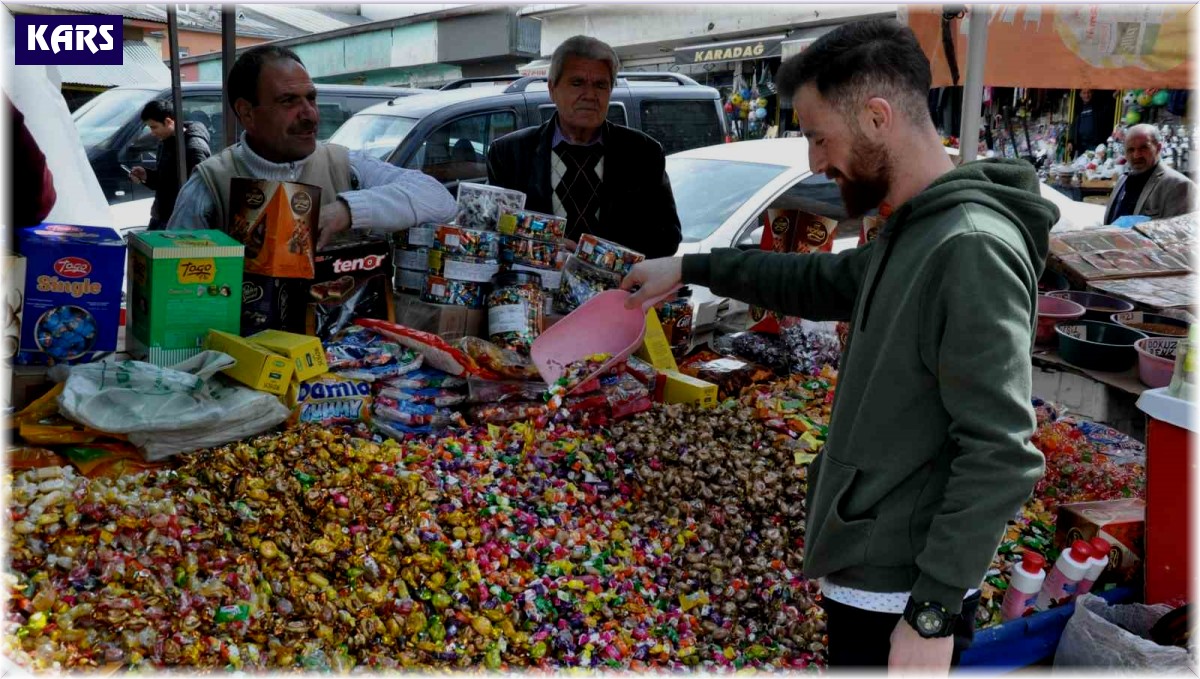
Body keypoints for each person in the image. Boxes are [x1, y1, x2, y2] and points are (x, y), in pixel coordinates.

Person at [621, 19, 1057, 671]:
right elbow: (821, 281)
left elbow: (1000, 452)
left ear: (878, 117)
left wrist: (932, 613)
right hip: (870, 566)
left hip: (902, 593)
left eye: (819, 137)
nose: (814, 163)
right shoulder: (916, 229)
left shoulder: (968, 247)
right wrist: (689, 267)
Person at [167, 45, 456, 248]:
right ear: (247, 113)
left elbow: (439, 200)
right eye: (288, 101)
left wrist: (347, 211)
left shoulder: (343, 166)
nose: (310, 115)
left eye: (311, 98)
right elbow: (175, 282)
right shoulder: (210, 184)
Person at [486, 35, 682, 259]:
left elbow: (667, 240)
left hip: (619, 281)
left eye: (600, 85)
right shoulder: (509, 154)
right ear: (552, 89)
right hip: (534, 281)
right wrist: (545, 247)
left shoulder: (642, 153)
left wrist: (595, 256)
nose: (590, 95)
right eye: (577, 83)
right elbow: (491, 231)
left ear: (610, 91)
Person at [129, 99, 212, 230]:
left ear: (168, 122)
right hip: (162, 216)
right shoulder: (166, 141)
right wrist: (146, 176)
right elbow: (166, 181)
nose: (152, 132)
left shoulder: (194, 148)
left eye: (154, 127)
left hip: (180, 220)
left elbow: (199, 191)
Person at [1104, 124, 1196, 225]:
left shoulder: (1179, 185)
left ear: (1158, 148)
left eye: (1143, 148)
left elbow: (1176, 232)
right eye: (1131, 150)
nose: (1136, 155)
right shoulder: (1122, 180)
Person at [1066, 89, 1114, 161]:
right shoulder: (1078, 108)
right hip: (1081, 146)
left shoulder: (1098, 107)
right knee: (1080, 165)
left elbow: (1108, 111)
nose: (1086, 95)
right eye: (1084, 93)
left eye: (1088, 93)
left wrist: (1114, 97)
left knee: (1093, 165)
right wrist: (1070, 141)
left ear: (1092, 94)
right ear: (1080, 95)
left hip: (1094, 145)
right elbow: (1073, 126)